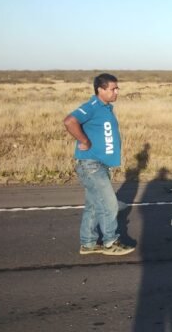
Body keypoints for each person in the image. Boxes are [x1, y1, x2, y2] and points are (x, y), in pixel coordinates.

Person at [63, 73, 135, 256]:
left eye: (117, 88)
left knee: (94, 205)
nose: (117, 91)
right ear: (100, 90)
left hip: (100, 164)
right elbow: (70, 121)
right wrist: (84, 141)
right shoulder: (92, 106)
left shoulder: (106, 107)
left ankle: (88, 243)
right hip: (91, 165)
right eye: (113, 89)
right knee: (110, 205)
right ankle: (110, 242)